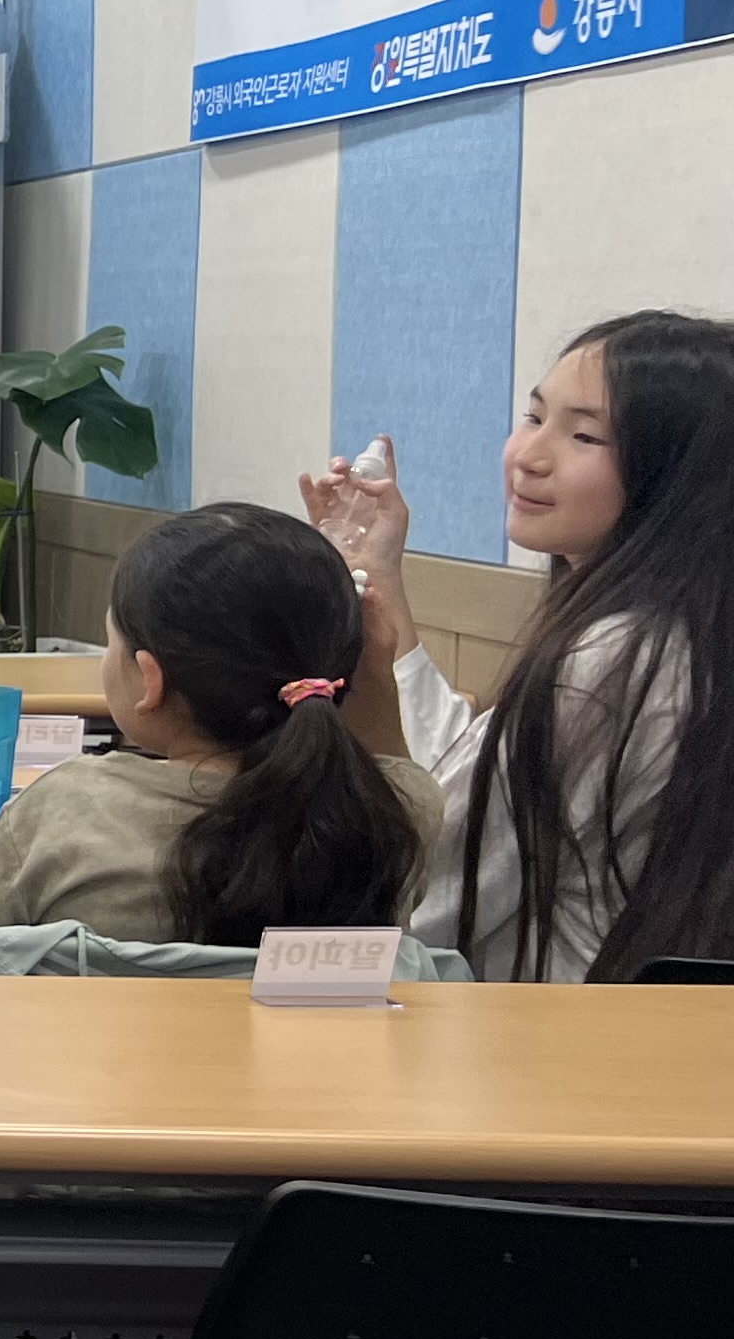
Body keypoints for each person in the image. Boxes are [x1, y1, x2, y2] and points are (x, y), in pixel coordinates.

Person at [304, 309, 734, 979]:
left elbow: (425, 890)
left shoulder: (615, 662)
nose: (529, 457)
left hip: (558, 1029)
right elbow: (473, 772)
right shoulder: (676, 632)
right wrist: (378, 574)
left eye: (585, 435)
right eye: (534, 418)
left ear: (679, 475)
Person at [0, 503, 436, 945]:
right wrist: (376, 673)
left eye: (112, 641)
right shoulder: (398, 814)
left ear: (151, 679)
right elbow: (393, 774)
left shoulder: (61, 809)